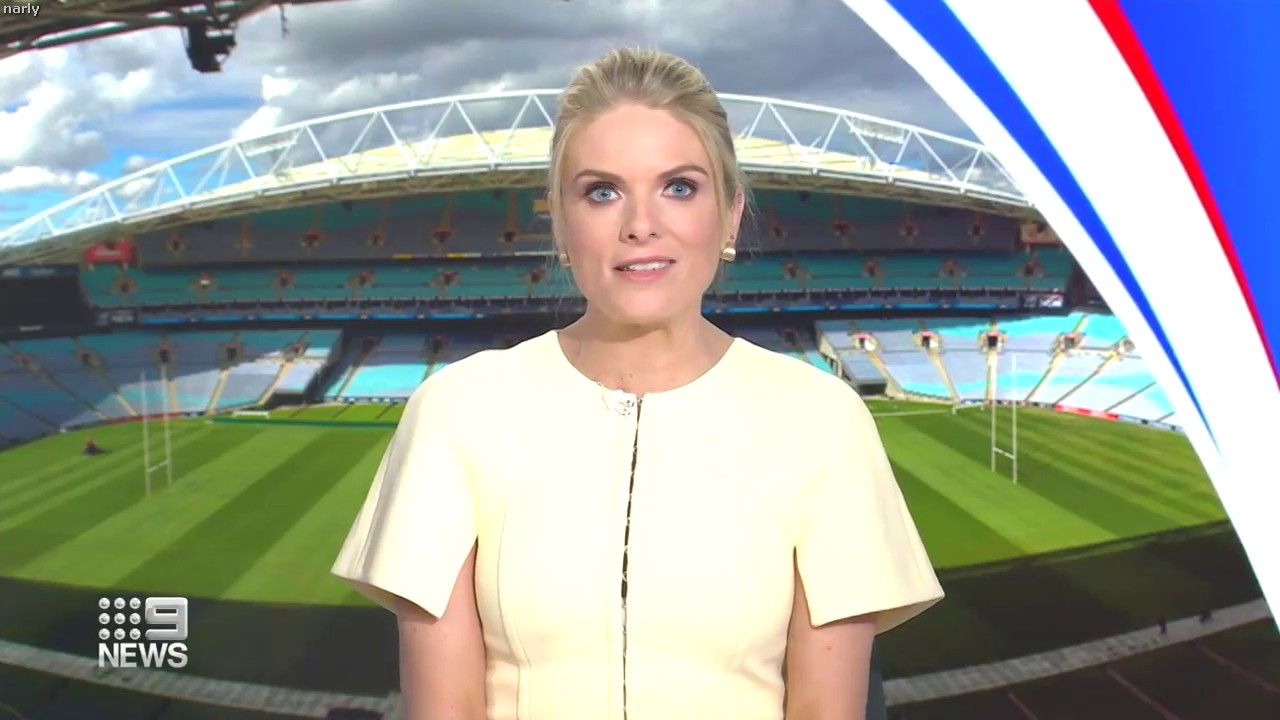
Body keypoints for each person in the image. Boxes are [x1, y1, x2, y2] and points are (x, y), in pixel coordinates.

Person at [331, 47, 944, 720]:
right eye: (602, 192)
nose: (641, 224)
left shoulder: (824, 419)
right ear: (561, 222)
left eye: (679, 187)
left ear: (730, 213)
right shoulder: (455, 412)